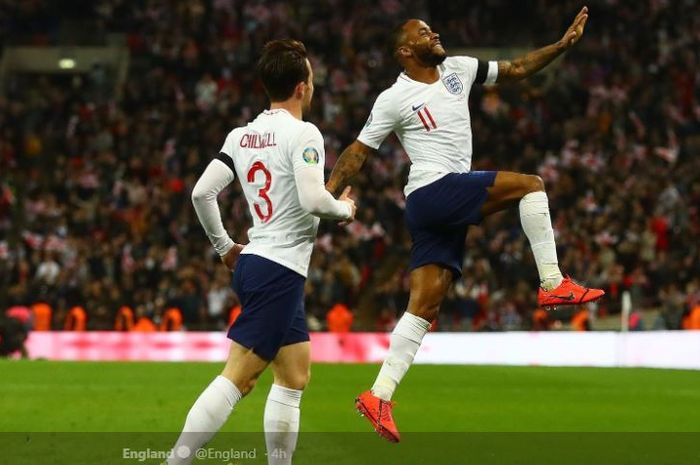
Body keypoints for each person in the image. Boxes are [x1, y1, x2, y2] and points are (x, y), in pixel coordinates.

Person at [325, 8, 604, 443]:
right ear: (405, 50)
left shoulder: (458, 68)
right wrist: (327, 194)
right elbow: (358, 152)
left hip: (433, 205)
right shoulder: (393, 98)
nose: (433, 32)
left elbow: (515, 70)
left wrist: (561, 46)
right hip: (433, 189)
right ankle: (552, 282)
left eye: (431, 28)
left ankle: (378, 395)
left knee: (425, 307)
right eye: (422, 32)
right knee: (531, 186)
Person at [167, 39, 355, 465]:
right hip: (278, 270)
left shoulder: (241, 136)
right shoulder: (304, 133)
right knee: (239, 378)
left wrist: (225, 247)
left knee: (294, 374)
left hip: (255, 262)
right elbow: (313, 200)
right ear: (303, 87)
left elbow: (202, 193)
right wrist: (345, 210)